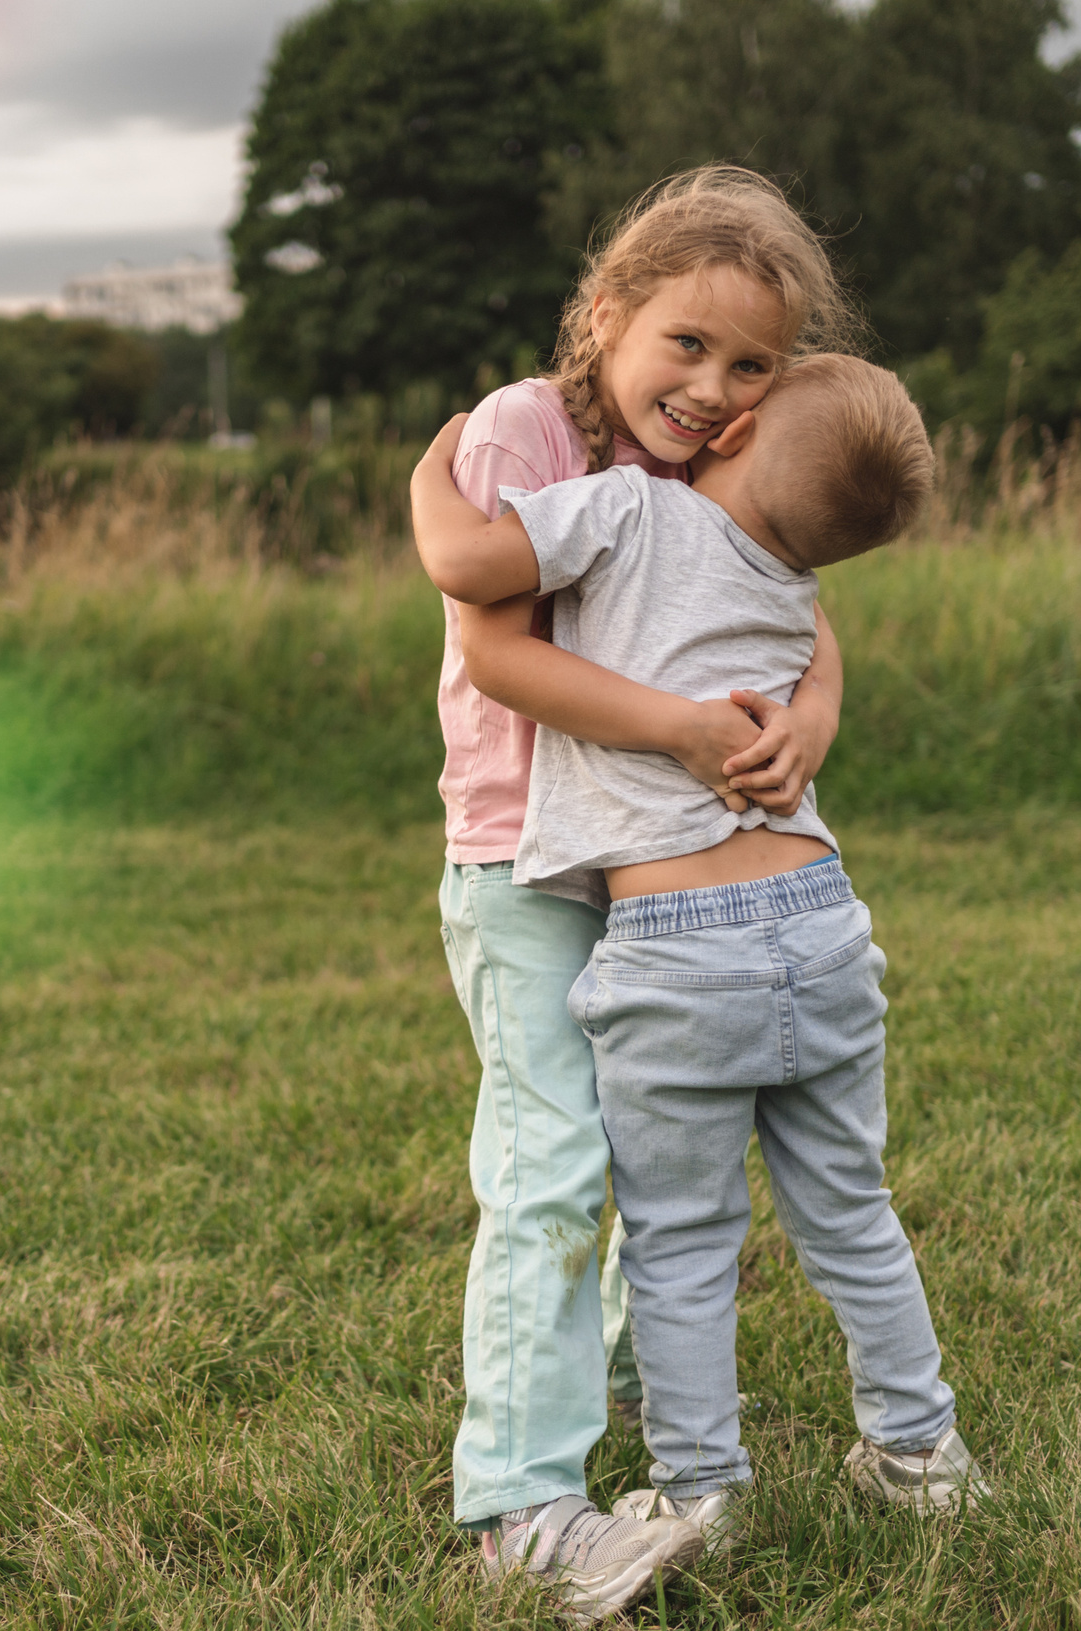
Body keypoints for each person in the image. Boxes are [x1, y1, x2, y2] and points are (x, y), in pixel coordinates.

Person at [414, 352, 992, 1567]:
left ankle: (701, 1492)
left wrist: (430, 466)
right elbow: (820, 664)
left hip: (677, 948)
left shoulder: (627, 508)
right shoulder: (789, 581)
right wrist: (815, 722)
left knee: (678, 1238)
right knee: (852, 1210)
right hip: (824, 920)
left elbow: (469, 571)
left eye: (749, 386)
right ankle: (921, 1455)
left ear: (730, 443)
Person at [427, 166, 855, 1623]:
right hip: (520, 861)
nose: (713, 386)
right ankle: (522, 1506)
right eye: (687, 344)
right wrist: (678, 726)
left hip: (663, 882)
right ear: (608, 311)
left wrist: (812, 720)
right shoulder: (524, 431)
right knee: (547, 1161)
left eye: (751, 364)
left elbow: (806, 613)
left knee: (645, 1165)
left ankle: (603, 1408)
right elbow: (496, 646)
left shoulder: (716, 473)